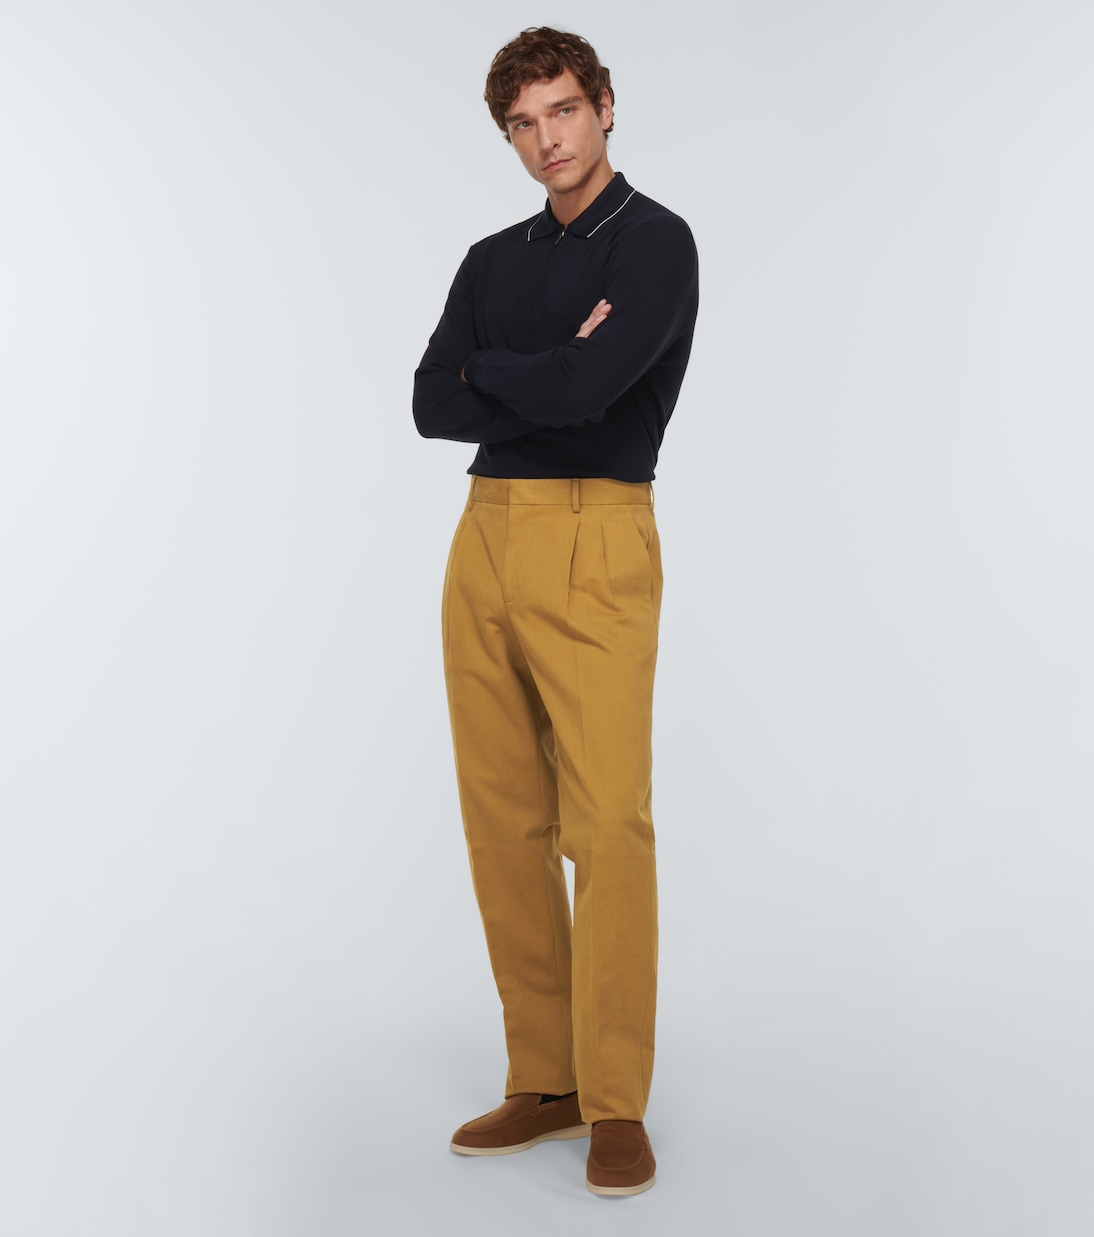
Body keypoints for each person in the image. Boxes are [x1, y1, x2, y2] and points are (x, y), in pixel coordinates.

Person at [413, 26, 698, 1197]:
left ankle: (615, 1097)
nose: (547, 140)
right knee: (502, 819)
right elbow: (429, 402)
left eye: (564, 110)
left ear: (606, 105)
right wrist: (530, 373)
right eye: (523, 124)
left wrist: (496, 372)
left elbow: (591, 392)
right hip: (483, 535)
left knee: (605, 825)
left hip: (596, 531)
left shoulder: (657, 242)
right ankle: (545, 1078)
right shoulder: (490, 259)